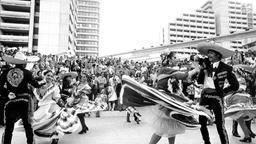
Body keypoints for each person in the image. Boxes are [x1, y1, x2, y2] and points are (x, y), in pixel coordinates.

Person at [196, 42, 239, 144]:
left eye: (211, 53)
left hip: (216, 98)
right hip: (204, 97)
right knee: (202, 123)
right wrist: (203, 69)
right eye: (208, 53)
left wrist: (222, 92)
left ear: (217, 55)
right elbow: (199, 81)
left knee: (220, 125)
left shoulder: (226, 68)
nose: (208, 55)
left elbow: (235, 86)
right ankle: (207, 142)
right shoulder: (205, 65)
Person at [0, 52, 45, 144]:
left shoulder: (6, 72)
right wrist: (44, 81)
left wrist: (7, 93)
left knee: (9, 127)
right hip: (24, 102)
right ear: (24, 63)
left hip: (10, 102)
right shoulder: (27, 73)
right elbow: (36, 84)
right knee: (27, 125)